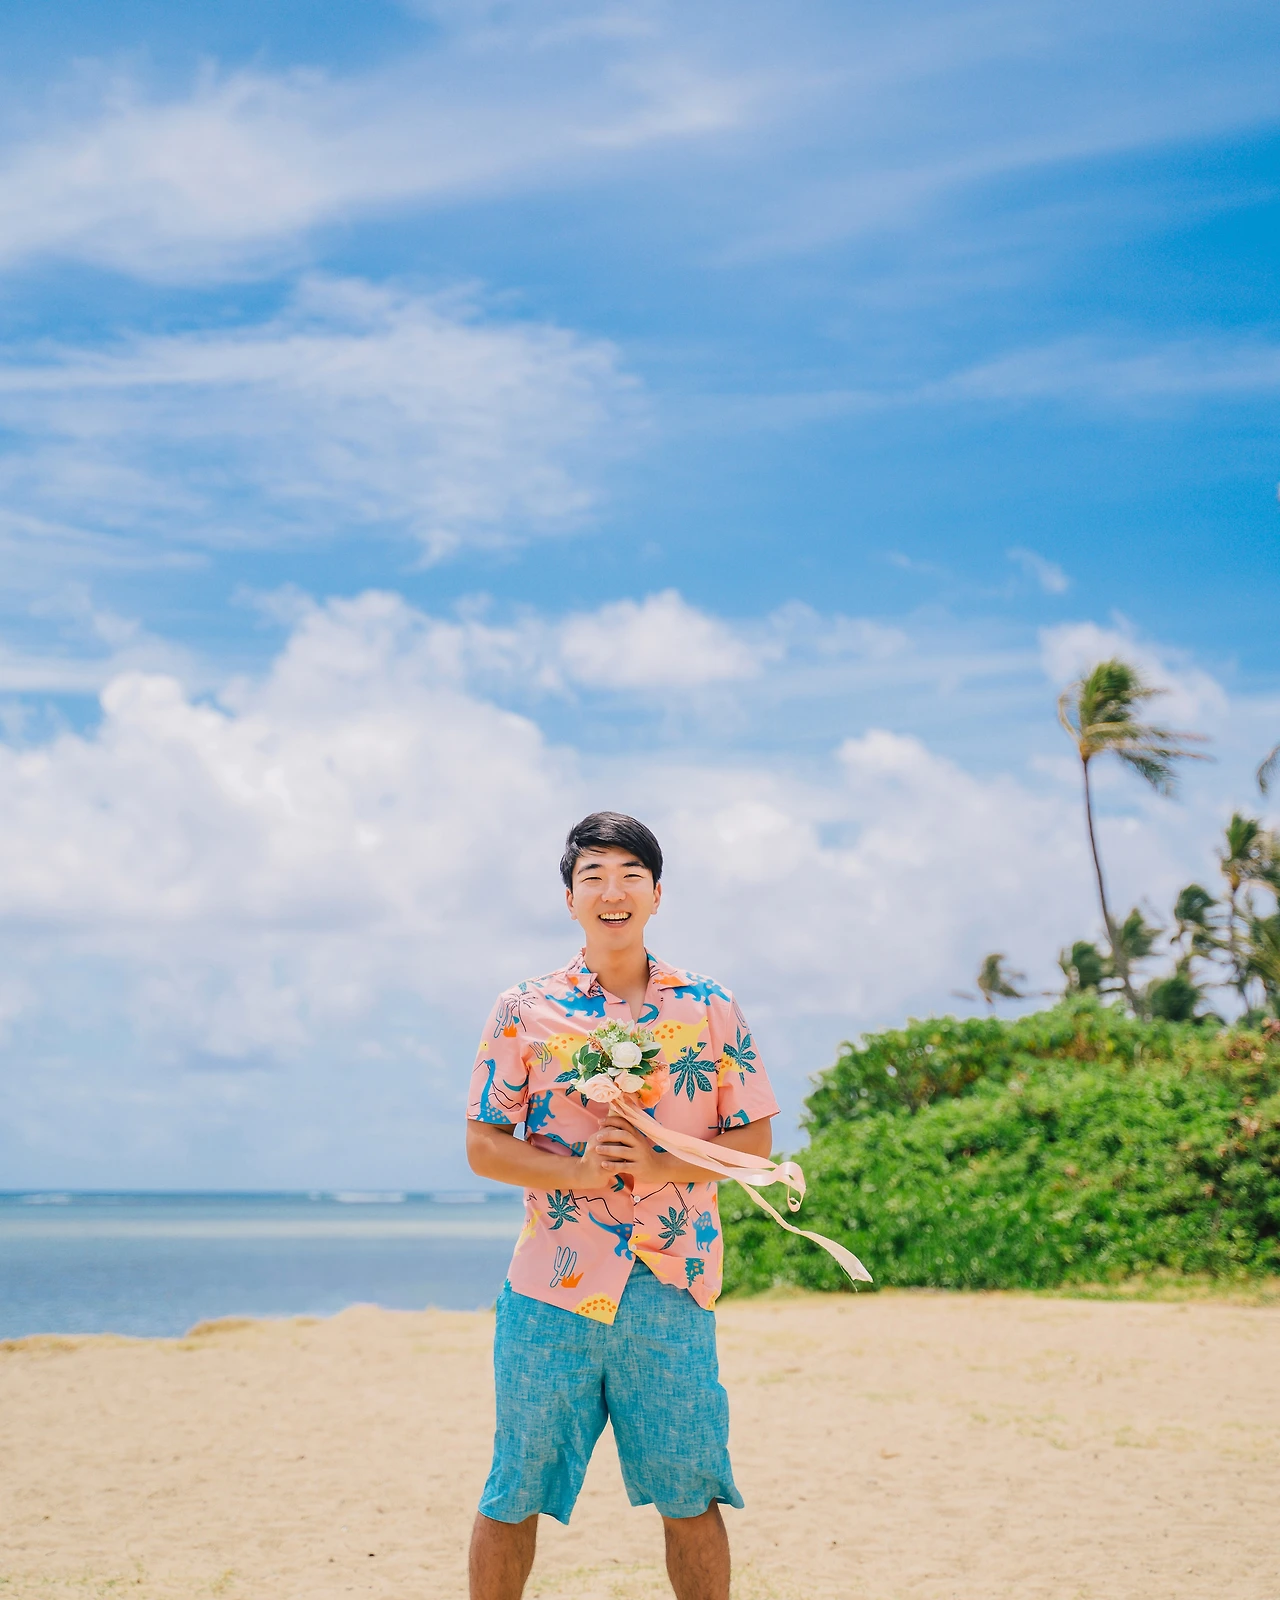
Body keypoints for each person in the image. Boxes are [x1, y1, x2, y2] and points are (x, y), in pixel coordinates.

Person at [464, 811, 780, 1600]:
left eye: (631, 876)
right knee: (515, 1489)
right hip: (552, 1284)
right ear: (569, 898)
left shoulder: (709, 1006)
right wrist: (578, 1173)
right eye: (594, 877)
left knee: (692, 1493)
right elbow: (483, 1145)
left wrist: (660, 1163)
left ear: (657, 895)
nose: (614, 892)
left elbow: (754, 1144)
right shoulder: (523, 1008)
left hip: (671, 1283)